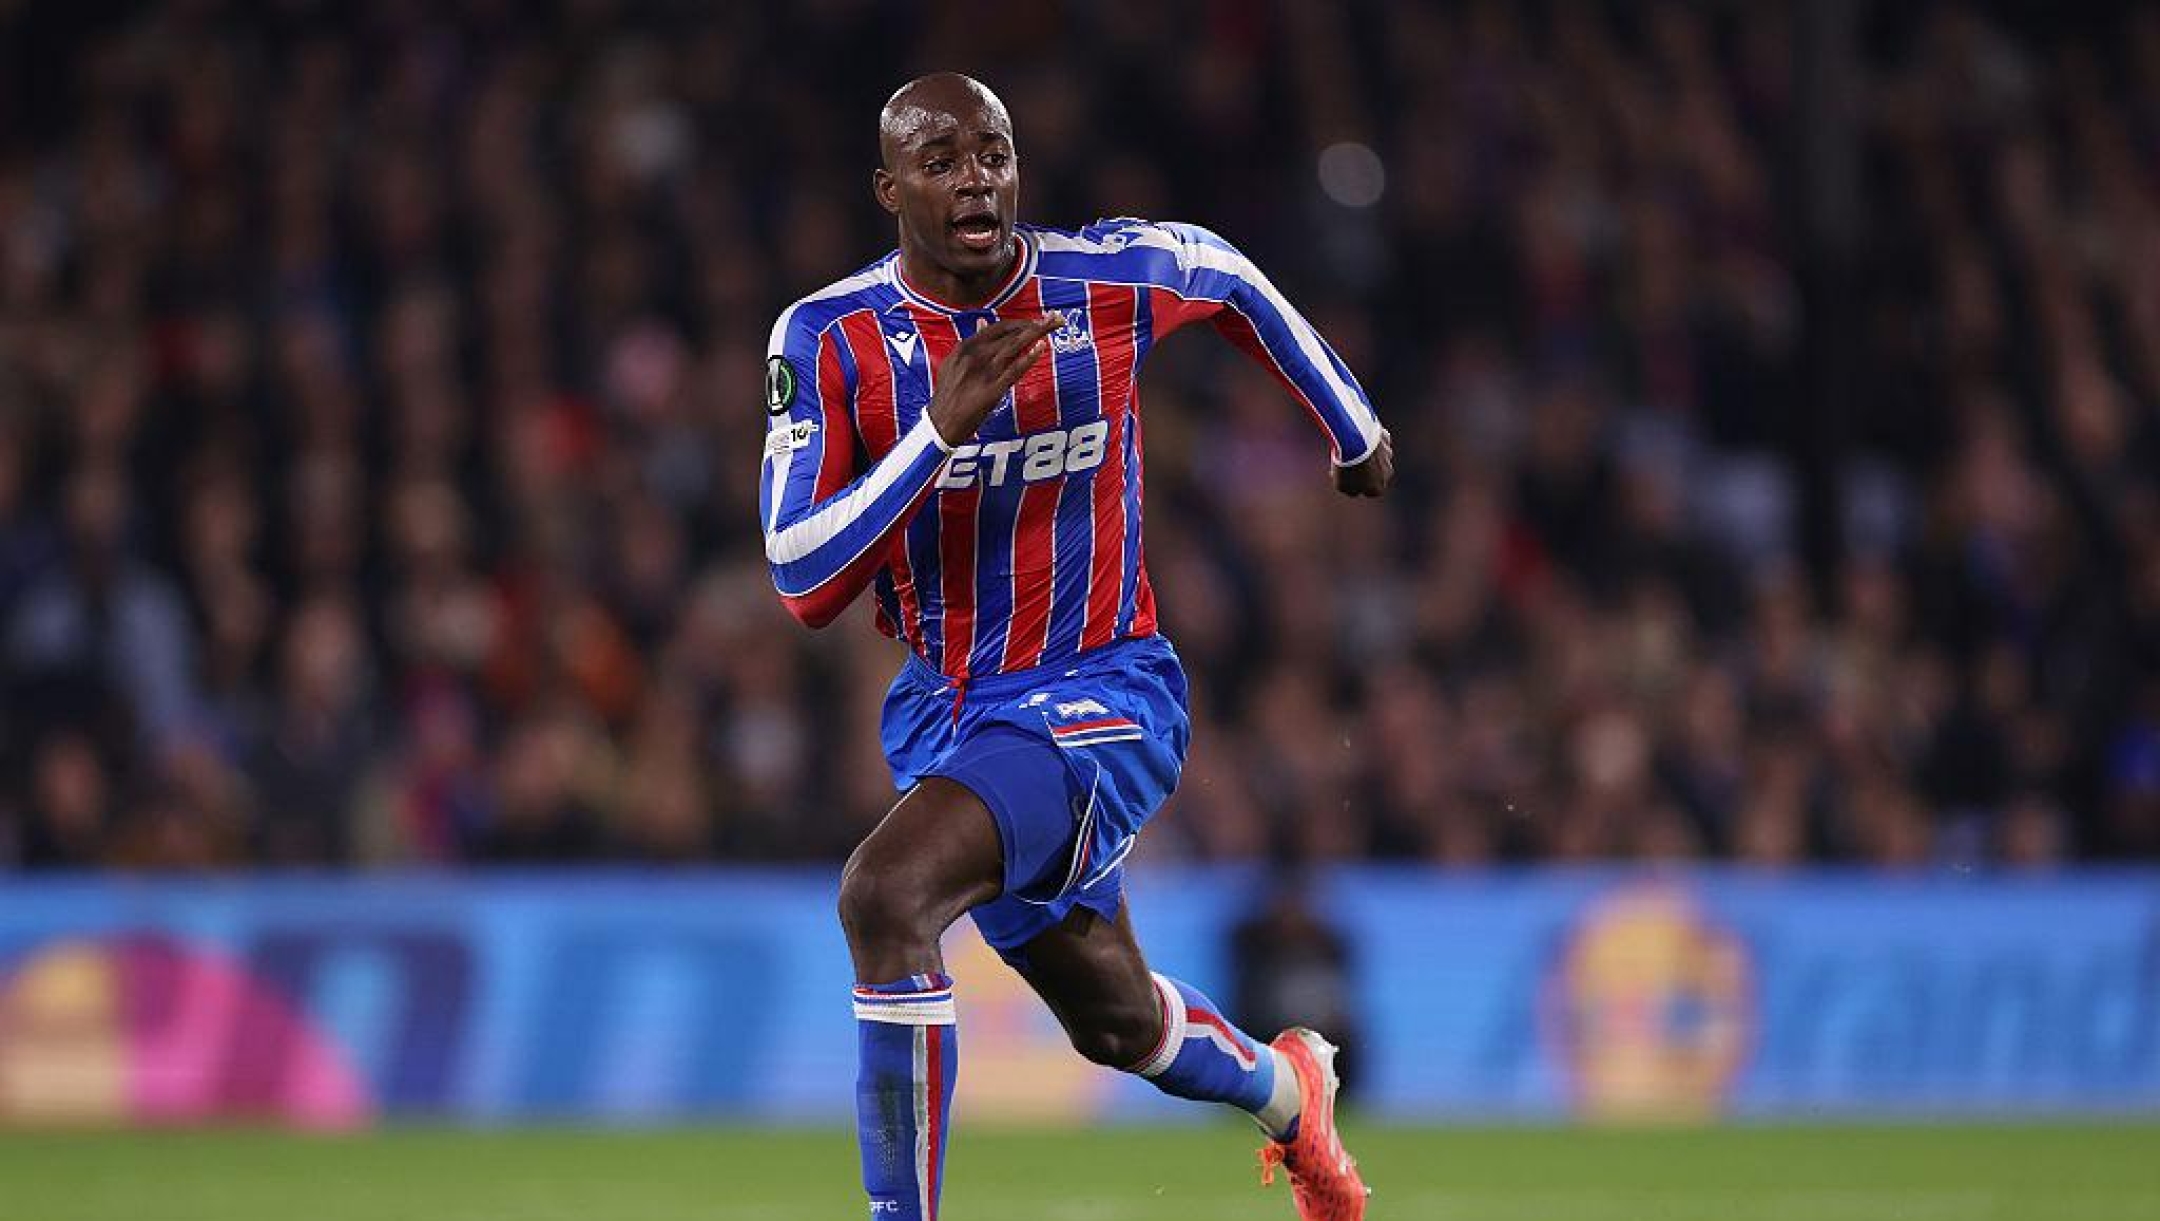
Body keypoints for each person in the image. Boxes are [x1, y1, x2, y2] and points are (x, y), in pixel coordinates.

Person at [759, 73, 1392, 1221]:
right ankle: (1290, 1093)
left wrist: (1351, 426)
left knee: (884, 896)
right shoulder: (829, 338)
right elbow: (802, 577)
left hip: (1107, 691)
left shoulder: (1100, 279)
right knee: (1115, 1022)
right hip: (950, 713)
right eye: (942, 158)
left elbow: (1232, 276)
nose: (977, 178)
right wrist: (935, 434)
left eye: (995, 151)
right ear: (888, 186)